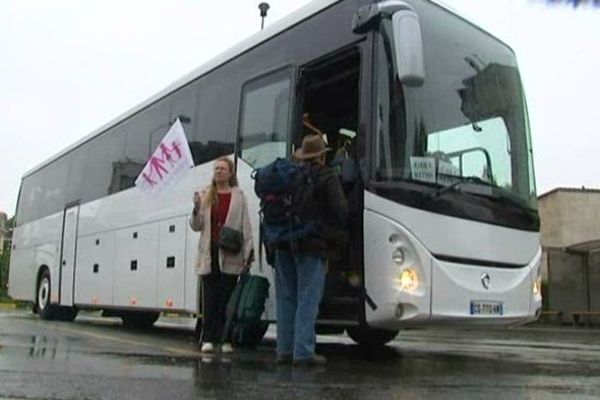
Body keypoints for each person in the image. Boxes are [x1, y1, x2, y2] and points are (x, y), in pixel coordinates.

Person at [275, 134, 348, 366]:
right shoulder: (326, 176)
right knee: (308, 299)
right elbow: (340, 210)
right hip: (312, 246)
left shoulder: (287, 176)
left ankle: (284, 350)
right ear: (322, 156)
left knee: (287, 299)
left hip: (282, 243)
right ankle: (303, 352)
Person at [189, 156, 254, 354]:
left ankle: (226, 339)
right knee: (210, 299)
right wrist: (196, 207)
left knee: (227, 300)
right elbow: (196, 226)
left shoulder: (239, 196)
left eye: (222, 169)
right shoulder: (207, 195)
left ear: (231, 173)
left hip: (230, 254)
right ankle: (208, 338)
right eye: (216, 168)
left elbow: (246, 227)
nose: (218, 172)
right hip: (210, 252)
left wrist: (248, 254)